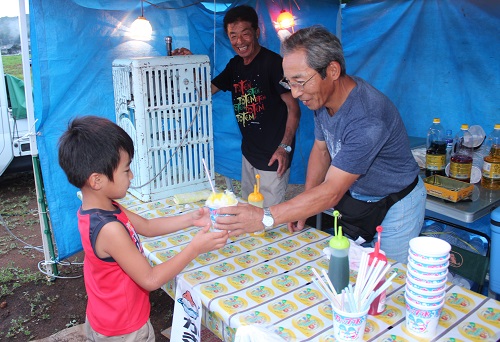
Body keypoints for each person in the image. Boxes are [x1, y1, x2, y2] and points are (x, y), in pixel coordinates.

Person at [215, 26, 426, 264]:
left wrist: (266, 217)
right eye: (289, 83)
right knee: (349, 269)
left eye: (301, 81)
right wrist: (306, 202)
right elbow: (321, 149)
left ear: (332, 70)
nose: (295, 93)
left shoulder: (367, 118)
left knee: (390, 276)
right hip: (360, 199)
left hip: (397, 203)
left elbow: (333, 191)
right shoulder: (323, 99)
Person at [58, 116, 228, 341]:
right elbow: (150, 279)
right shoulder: (108, 228)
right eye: (126, 170)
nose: (132, 176)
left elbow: (147, 226)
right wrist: (194, 248)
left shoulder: (101, 208)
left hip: (105, 315)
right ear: (97, 180)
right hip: (124, 329)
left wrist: (190, 219)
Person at [173, 5, 301, 206]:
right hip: (249, 155)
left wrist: (284, 148)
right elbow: (205, 92)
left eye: (245, 34)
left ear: (257, 33)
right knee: (249, 213)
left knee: (269, 218)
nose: (239, 41)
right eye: (233, 36)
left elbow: (294, 108)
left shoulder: (273, 63)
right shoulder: (235, 66)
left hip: (274, 158)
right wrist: (189, 64)